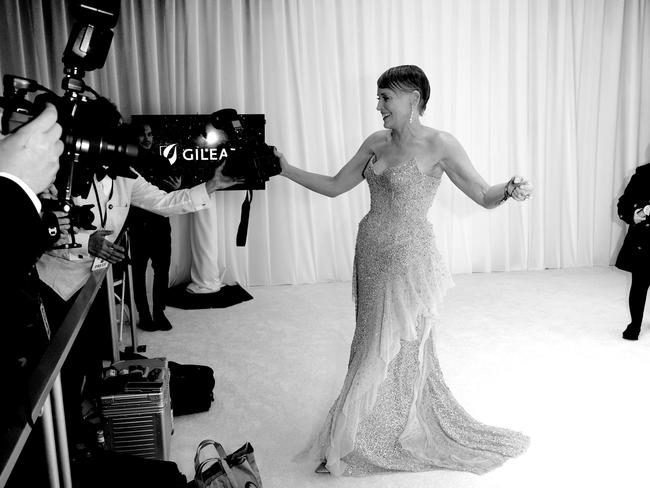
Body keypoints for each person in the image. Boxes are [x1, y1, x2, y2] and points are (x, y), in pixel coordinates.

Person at [279, 65, 532, 476]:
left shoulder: (440, 144)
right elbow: (333, 185)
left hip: (409, 260)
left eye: (386, 98)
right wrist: (286, 168)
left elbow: (483, 195)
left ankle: (360, 440)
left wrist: (508, 189)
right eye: (378, 98)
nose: (378, 106)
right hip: (371, 254)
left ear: (413, 98)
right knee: (367, 345)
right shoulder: (376, 142)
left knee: (398, 349)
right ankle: (357, 434)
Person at [126, 122, 182, 331]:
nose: (148, 138)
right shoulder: (125, 162)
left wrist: (177, 189)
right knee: (138, 272)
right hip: (136, 225)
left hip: (160, 224)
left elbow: (171, 194)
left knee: (162, 270)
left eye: (150, 134)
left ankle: (159, 312)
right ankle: (144, 314)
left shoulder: (162, 160)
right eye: (143, 135)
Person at [615, 162, 650, 340]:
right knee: (639, 285)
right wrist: (633, 216)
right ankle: (635, 324)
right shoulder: (641, 177)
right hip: (643, 241)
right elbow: (623, 205)